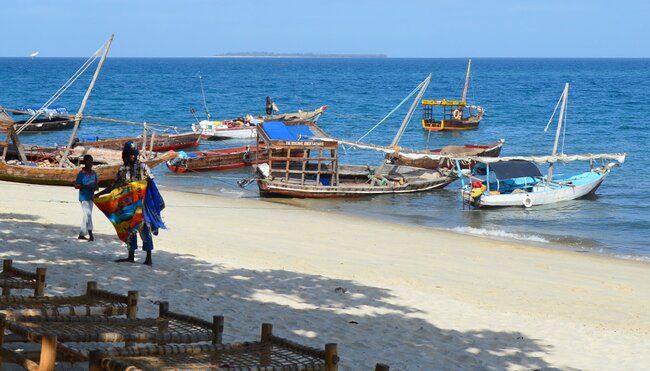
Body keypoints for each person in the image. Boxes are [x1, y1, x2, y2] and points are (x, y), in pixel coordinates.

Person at [96, 141, 155, 265]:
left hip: (141, 205)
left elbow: (151, 182)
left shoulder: (143, 167)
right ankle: (131, 256)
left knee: (144, 229)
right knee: (130, 230)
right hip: (127, 206)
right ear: (125, 155)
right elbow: (113, 186)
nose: (132, 156)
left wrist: (147, 182)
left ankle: (148, 258)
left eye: (133, 154)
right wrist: (99, 195)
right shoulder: (122, 170)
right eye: (130, 154)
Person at [74, 154, 98, 241]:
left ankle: (81, 234)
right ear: (84, 163)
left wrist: (95, 187)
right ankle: (91, 233)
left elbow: (96, 183)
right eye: (89, 162)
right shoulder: (81, 174)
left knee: (87, 215)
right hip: (83, 197)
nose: (91, 164)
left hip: (91, 197)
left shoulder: (94, 173)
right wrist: (86, 187)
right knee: (88, 214)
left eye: (92, 162)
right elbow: (76, 186)